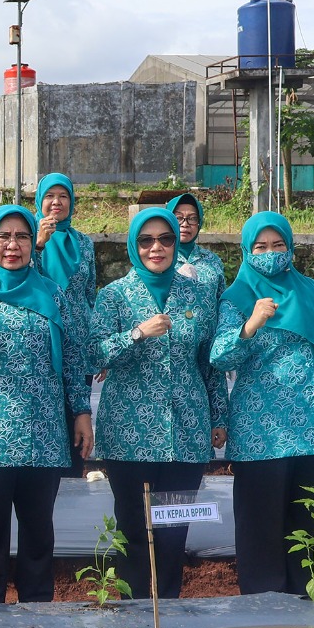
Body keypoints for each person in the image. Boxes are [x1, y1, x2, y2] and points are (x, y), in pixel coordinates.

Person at [0, 205, 91, 603]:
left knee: (39, 529)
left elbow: (73, 356)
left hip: (43, 431)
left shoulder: (51, 292)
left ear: (32, 243)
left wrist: (81, 412)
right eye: (3, 237)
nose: (12, 245)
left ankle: (37, 610)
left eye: (22, 236)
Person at [211, 212, 314, 597]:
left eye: (278, 245)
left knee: (309, 529)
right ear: (246, 250)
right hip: (261, 433)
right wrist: (251, 324)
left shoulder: (311, 291)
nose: (270, 253)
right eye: (260, 247)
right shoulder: (237, 298)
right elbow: (219, 357)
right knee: (261, 530)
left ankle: (306, 607)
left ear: (290, 247)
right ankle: (263, 614)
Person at [90, 207, 227, 599]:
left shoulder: (198, 295)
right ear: (134, 246)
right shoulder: (114, 295)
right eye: (146, 240)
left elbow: (210, 362)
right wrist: (136, 333)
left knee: (172, 532)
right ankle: (132, 616)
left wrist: (219, 416)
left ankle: (168, 612)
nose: (157, 248)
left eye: (166, 239)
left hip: (186, 432)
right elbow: (92, 355)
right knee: (134, 530)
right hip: (129, 435)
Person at [35, 172, 96, 476]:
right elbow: (22, 279)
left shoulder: (83, 242)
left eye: (63, 196)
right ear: (39, 201)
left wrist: (96, 347)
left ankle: (72, 477)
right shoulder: (24, 238)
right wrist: (39, 244)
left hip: (79, 346)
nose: (56, 202)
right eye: (49, 196)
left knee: (76, 417)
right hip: (44, 344)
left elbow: (90, 294)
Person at [166, 192, 225, 296]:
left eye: (192, 218)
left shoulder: (212, 260)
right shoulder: (159, 258)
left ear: (199, 223)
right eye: (178, 218)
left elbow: (222, 298)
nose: (185, 224)